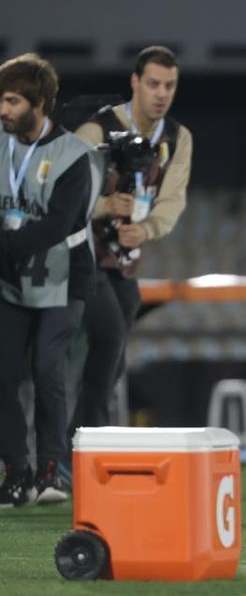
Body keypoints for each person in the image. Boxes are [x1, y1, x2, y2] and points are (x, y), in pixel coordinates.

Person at [71, 45, 192, 434]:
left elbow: (172, 200)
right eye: (153, 83)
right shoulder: (96, 130)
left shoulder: (177, 138)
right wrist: (105, 204)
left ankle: (77, 438)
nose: (161, 93)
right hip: (80, 254)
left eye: (169, 86)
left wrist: (147, 228)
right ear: (135, 82)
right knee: (109, 335)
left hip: (123, 259)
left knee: (116, 346)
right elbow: (63, 195)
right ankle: (90, 440)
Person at [0, 54, 94, 507]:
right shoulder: (0, 145)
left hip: (64, 276)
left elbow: (58, 225)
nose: (3, 109)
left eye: (12, 100)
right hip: (12, 280)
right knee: (2, 376)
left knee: (47, 372)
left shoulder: (74, 157)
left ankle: (52, 471)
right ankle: (17, 472)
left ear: (39, 104)